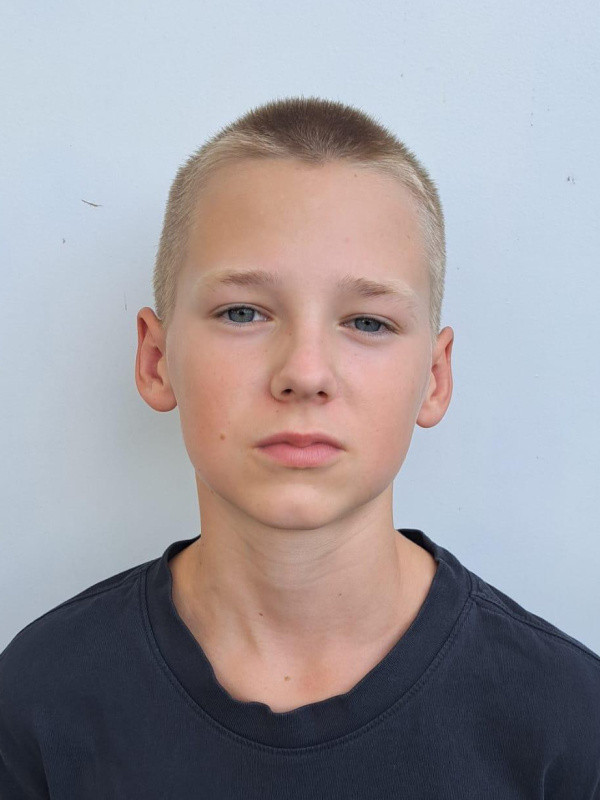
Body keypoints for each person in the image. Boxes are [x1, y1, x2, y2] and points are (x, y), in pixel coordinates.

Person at [1, 96, 598, 799]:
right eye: (243, 312)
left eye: (368, 322)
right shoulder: (41, 698)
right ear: (157, 360)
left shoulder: (567, 723)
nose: (305, 373)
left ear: (434, 378)